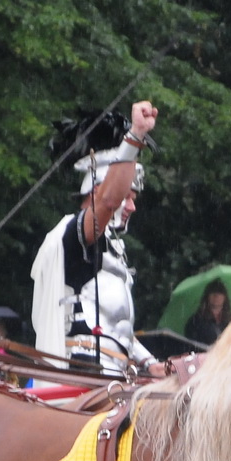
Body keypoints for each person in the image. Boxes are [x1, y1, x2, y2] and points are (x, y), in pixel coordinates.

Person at [30, 102, 164, 376]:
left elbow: (118, 331)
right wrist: (135, 137)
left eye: (133, 199)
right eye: (127, 197)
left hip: (115, 377)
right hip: (82, 376)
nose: (131, 207)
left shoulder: (114, 251)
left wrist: (153, 365)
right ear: (96, 191)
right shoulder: (73, 235)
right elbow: (108, 202)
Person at [182, 279, 231, 346]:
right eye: (212, 292)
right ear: (207, 296)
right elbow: (190, 345)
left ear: (225, 297)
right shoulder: (195, 321)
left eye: (220, 292)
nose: (216, 295)